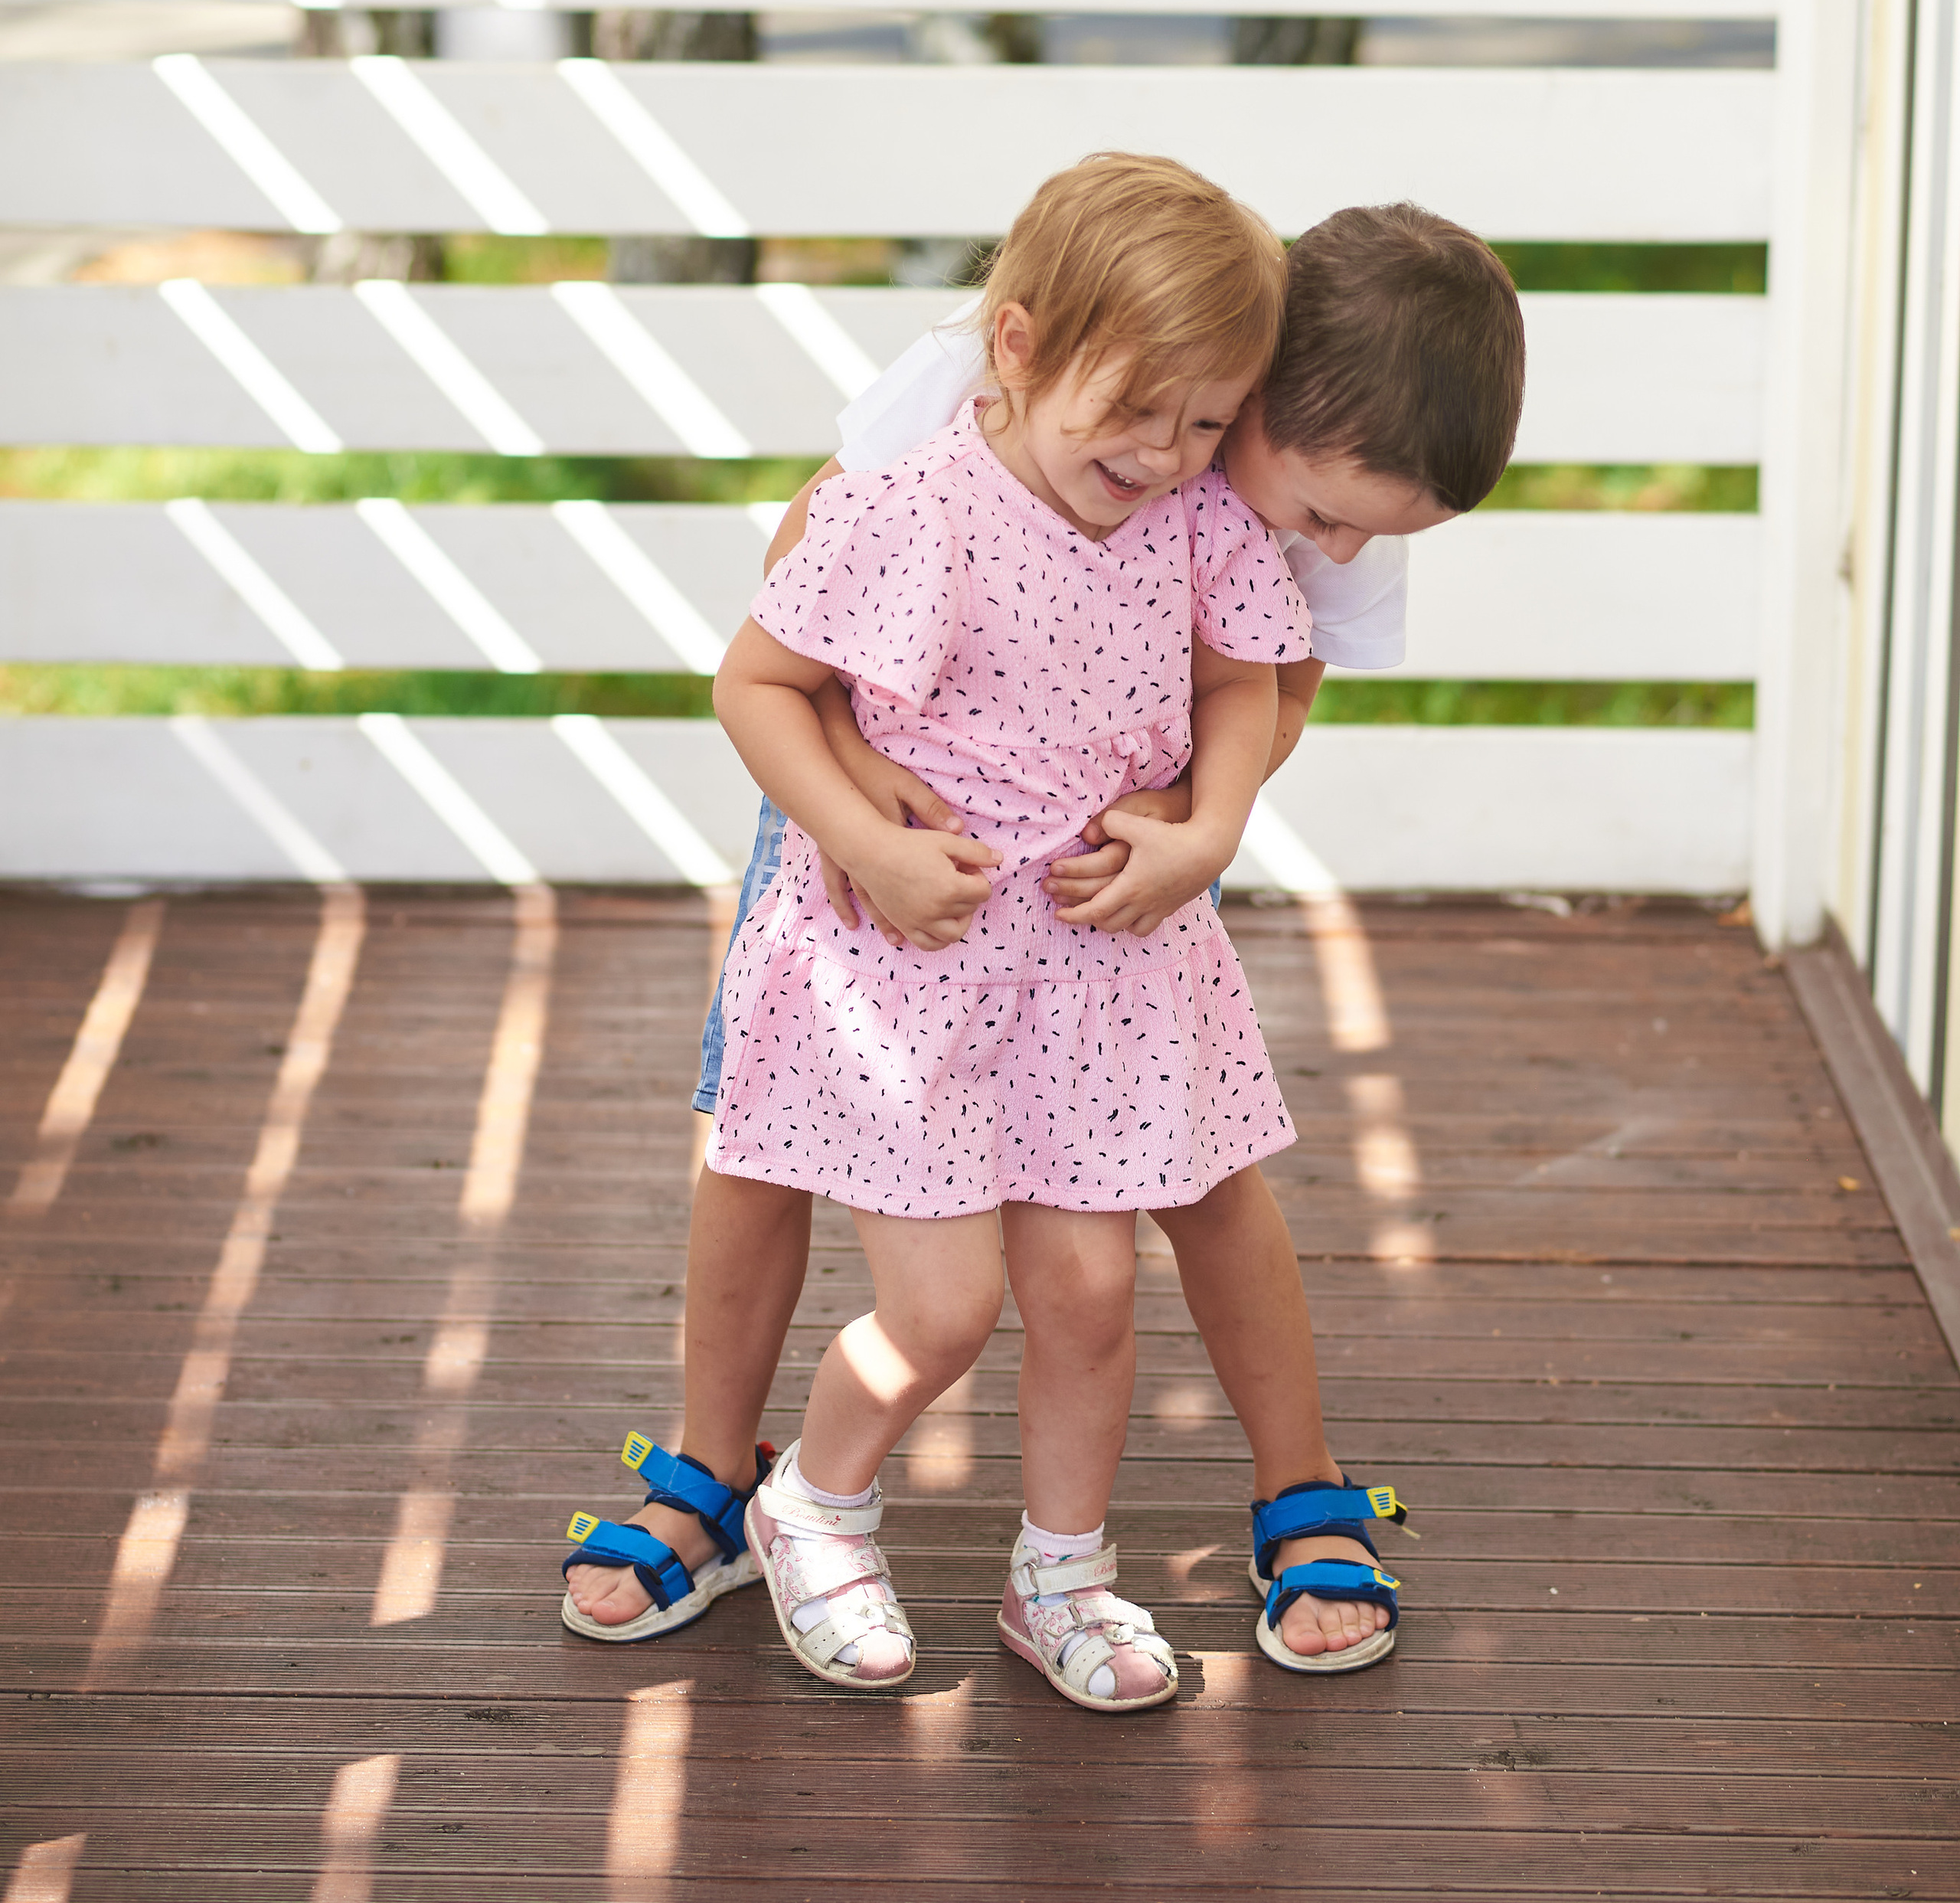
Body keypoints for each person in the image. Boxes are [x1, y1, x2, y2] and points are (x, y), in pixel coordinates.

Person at [563, 187, 1525, 1680]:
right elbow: (806, 578)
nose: (1325, 540)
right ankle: (713, 1474)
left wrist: (1193, 819)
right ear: (1250, 376)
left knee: (1175, 1183)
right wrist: (852, 802)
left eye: (1351, 530)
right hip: (879, 789)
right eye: (1318, 508)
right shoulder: (1029, 385)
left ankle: (1290, 1490)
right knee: (762, 1138)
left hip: (1095, 863)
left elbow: (1273, 683)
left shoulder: (1269, 489)